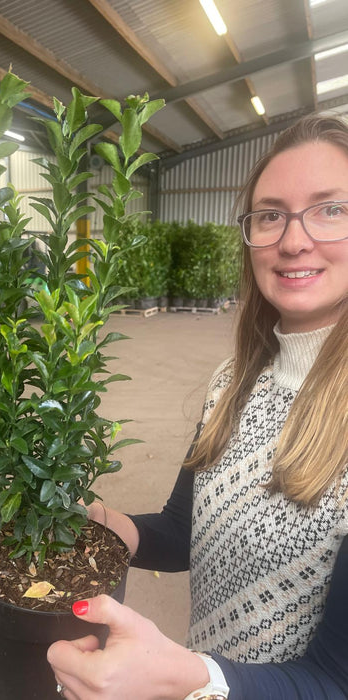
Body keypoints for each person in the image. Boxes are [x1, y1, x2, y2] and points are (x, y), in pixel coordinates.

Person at [47, 113, 348, 699]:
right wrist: (116, 529)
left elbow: (338, 679)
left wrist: (193, 680)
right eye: (270, 214)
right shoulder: (235, 380)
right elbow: (189, 532)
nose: (292, 239)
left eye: (330, 209)